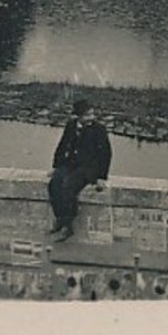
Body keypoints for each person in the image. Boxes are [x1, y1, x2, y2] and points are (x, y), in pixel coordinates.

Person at [47, 98, 112, 241]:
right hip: (70, 164)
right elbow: (62, 146)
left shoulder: (98, 129)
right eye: (87, 115)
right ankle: (60, 219)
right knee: (53, 185)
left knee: (69, 187)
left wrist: (102, 177)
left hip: (89, 169)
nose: (91, 118)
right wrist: (56, 166)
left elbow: (106, 153)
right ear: (78, 116)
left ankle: (67, 226)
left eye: (92, 114)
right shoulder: (71, 126)